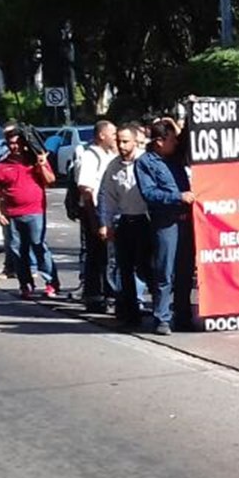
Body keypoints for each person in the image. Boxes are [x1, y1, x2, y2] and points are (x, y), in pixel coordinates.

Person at [133, 118, 196, 334]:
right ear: (160, 141)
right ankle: (162, 318)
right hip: (165, 223)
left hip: (185, 222)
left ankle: (184, 316)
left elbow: (188, 140)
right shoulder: (145, 163)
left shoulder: (176, 157)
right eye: (171, 140)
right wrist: (178, 197)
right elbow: (149, 194)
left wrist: (190, 115)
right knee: (164, 271)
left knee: (185, 271)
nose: (175, 143)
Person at [0, 126, 61, 299]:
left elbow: (51, 181)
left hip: (35, 211)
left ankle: (51, 282)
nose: (13, 146)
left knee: (38, 245)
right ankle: (25, 284)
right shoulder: (2, 165)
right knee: (17, 250)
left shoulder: (34, 160)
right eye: (10, 143)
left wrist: (42, 164)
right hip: (12, 214)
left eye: (16, 142)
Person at [95, 122, 152, 329]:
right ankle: (130, 312)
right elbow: (107, 197)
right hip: (125, 221)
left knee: (148, 268)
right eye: (118, 141)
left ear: (136, 141)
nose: (121, 145)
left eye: (125, 141)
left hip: (147, 222)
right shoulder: (113, 166)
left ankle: (159, 309)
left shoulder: (146, 162)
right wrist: (105, 224)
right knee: (124, 269)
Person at [73, 119, 119, 313]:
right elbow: (86, 190)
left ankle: (107, 295)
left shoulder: (109, 154)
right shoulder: (91, 156)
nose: (115, 138)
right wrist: (94, 221)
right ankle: (96, 297)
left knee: (108, 257)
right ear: (102, 135)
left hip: (108, 212)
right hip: (95, 212)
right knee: (98, 257)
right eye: (113, 134)